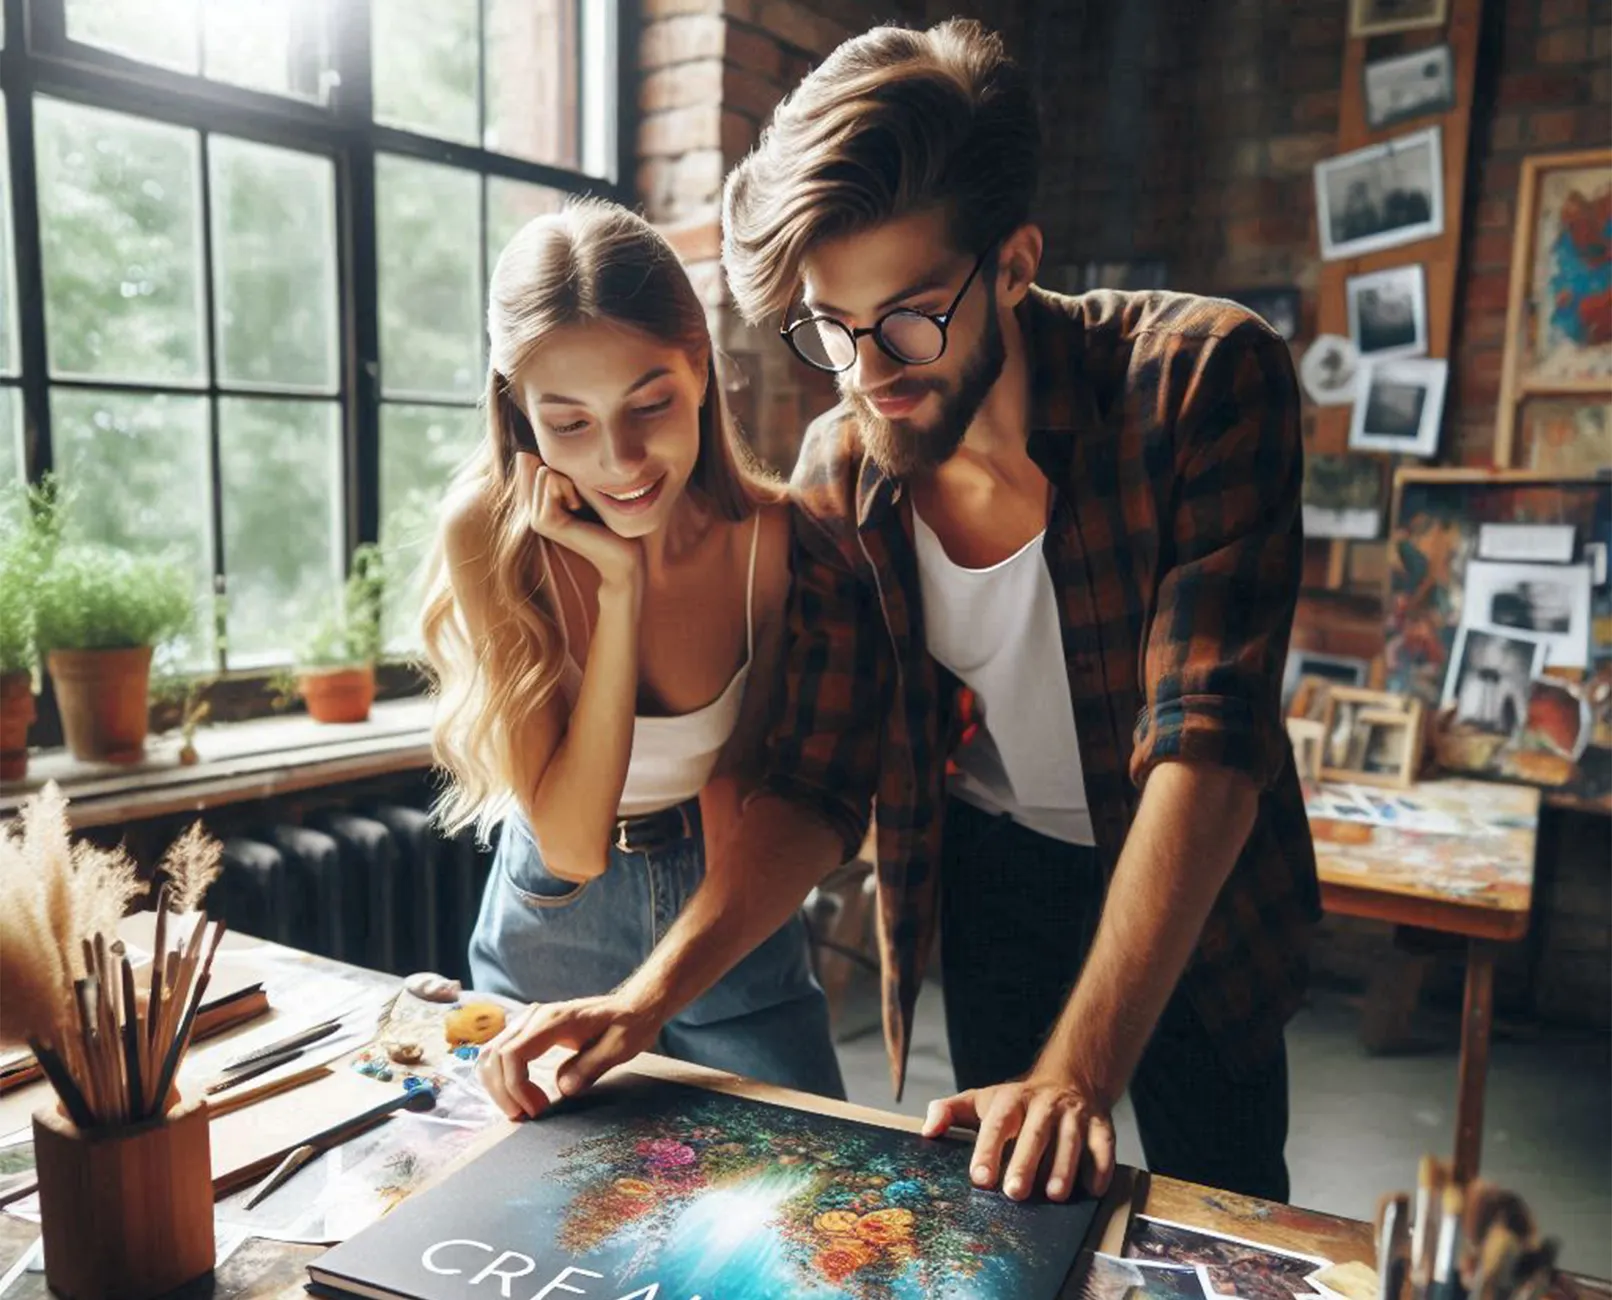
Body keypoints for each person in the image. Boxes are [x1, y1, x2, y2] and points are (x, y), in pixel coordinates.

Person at [478, 20, 1317, 1204]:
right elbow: (816, 787)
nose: (870, 370)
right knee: (1013, 1207)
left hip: (1190, 869)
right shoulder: (841, 471)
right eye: (831, 328)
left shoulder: (1199, 380)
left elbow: (1208, 737)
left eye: (912, 316)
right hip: (992, 873)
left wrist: (1077, 1071)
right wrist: (643, 997)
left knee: (1227, 1204)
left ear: (1016, 264)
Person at [420, 199, 846, 1105]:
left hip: (725, 902)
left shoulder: (771, 538)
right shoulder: (489, 537)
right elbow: (572, 843)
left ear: (699, 371)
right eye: (567, 423)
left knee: (800, 1204)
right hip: (555, 920)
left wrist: (673, 985)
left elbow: (745, 788)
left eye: (648, 404)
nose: (619, 462)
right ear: (519, 414)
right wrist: (620, 588)